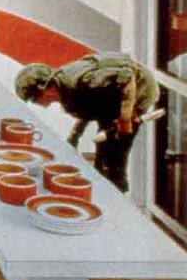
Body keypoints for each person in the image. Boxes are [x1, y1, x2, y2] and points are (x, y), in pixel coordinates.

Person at [14, 52, 158, 193]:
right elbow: (85, 106)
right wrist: (74, 138)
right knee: (102, 148)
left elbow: (127, 77)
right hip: (111, 97)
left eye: (33, 99)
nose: (35, 103)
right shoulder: (64, 87)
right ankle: (103, 182)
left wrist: (125, 119)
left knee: (114, 153)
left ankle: (117, 192)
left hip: (138, 89)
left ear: (43, 90)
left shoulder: (78, 82)